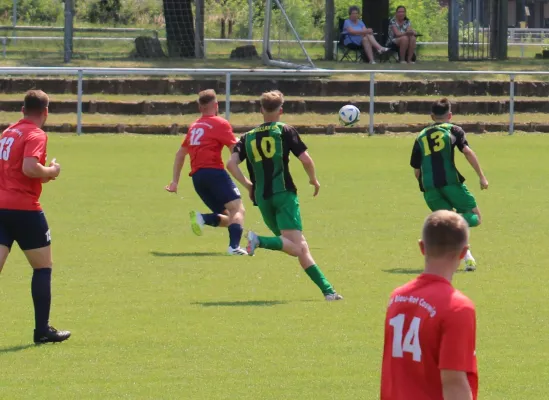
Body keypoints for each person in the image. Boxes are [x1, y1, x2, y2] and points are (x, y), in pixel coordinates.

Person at [226, 90, 343, 301]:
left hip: (262, 198)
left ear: (261, 109)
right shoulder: (285, 130)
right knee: (296, 246)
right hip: (284, 195)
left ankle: (328, 291)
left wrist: (247, 185)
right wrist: (313, 180)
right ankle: (258, 240)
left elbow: (231, 164)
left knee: (299, 246)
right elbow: (306, 160)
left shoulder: (247, 137)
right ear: (281, 110)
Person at [380, 210, 478, 400]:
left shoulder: (397, 298)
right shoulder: (457, 307)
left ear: (422, 247)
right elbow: (453, 382)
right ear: (464, 252)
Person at [0, 90, 70, 344]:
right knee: (42, 267)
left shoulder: (9, 132)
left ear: (22, 109)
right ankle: (42, 330)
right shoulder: (35, 133)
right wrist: (52, 170)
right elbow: (29, 167)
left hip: (0, 207)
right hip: (25, 210)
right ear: (46, 112)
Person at [410, 98, 488, 272]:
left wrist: (427, 186)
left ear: (431, 116)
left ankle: (467, 257)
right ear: (450, 115)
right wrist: (481, 176)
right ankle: (453, 225)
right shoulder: (454, 130)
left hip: (429, 188)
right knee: (475, 217)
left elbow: (416, 170)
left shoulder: (420, 136)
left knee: (446, 222)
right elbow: (467, 152)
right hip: (451, 182)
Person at [165, 89, 247, 255]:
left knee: (228, 217)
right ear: (216, 105)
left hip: (198, 178)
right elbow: (234, 151)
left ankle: (203, 218)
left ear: (199, 107)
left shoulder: (195, 126)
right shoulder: (220, 123)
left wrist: (175, 182)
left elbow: (180, 154)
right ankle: (234, 248)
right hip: (215, 173)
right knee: (238, 210)